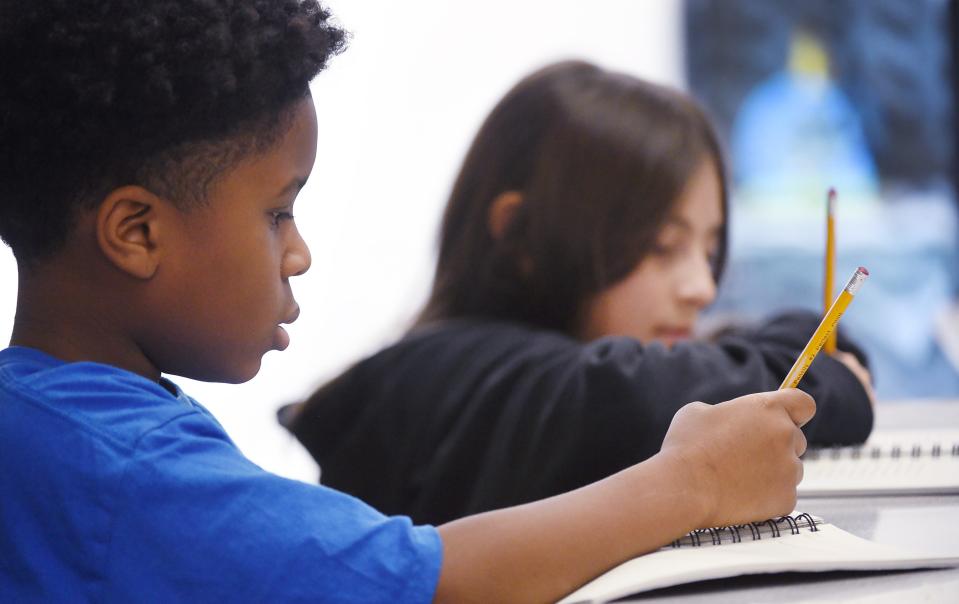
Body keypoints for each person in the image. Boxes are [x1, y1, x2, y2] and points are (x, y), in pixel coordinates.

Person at [0, 3, 816, 602]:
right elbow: (432, 582)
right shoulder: (127, 469)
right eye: (278, 211)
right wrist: (694, 483)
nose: (299, 251)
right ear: (135, 233)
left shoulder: (48, 425)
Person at [282, 60, 876, 526]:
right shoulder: (445, 374)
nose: (700, 286)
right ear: (521, 236)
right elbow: (629, 400)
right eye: (662, 247)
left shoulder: (498, 373)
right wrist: (829, 377)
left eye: (709, 247)